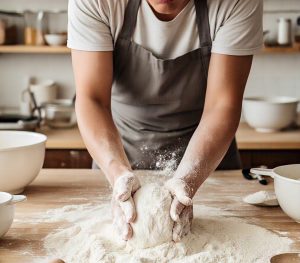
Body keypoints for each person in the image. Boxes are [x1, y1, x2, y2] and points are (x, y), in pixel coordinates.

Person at [68, 0, 263, 242]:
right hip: (119, 152)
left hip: (209, 163)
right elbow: (92, 99)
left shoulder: (235, 2)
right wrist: (118, 174)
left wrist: (187, 180)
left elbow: (222, 106)